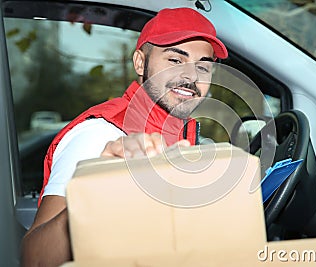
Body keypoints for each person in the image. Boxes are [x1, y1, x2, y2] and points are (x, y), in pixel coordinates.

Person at [21, 7, 228, 267]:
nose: (191, 76)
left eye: (203, 67)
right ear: (140, 63)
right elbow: (34, 258)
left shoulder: (186, 138)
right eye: (175, 60)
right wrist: (95, 193)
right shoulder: (101, 134)